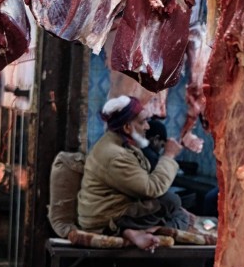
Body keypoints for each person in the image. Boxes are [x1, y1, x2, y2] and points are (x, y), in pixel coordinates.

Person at [76, 96, 188, 249]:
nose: (147, 127)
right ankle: (137, 231)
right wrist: (168, 155)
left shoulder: (118, 144)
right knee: (172, 201)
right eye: (142, 122)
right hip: (105, 219)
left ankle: (144, 229)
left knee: (178, 211)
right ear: (127, 128)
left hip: (108, 212)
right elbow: (152, 189)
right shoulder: (116, 155)